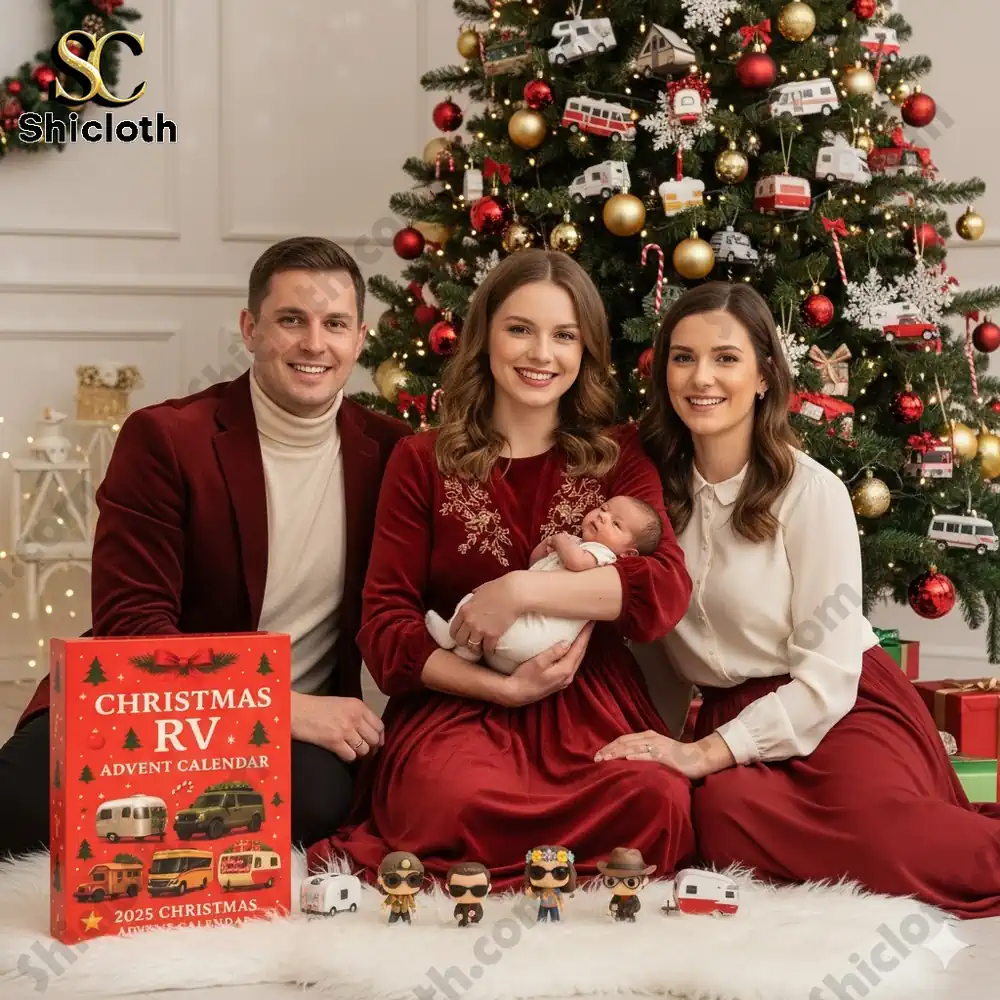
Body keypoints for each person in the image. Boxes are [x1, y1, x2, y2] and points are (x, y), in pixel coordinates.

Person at [595, 281, 1000, 919]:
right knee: (722, 819)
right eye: (682, 357)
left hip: (840, 705)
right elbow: (651, 639)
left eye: (726, 358)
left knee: (886, 839)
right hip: (733, 720)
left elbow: (828, 679)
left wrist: (702, 753)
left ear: (763, 377)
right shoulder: (647, 498)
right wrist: (656, 740)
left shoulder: (812, 494)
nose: (701, 377)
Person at [0, 236, 410, 858]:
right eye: (291, 320)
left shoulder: (392, 453)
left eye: (335, 324)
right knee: (19, 807)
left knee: (321, 802)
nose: (313, 343)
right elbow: (132, 628)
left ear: (360, 338)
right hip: (144, 706)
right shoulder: (166, 438)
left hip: (288, 742)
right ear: (250, 328)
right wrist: (279, 705)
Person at [307, 248, 695, 891]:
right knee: (444, 801)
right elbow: (386, 629)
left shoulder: (620, 454)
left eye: (564, 335)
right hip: (460, 702)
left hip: (589, 706)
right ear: (485, 334)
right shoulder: (421, 459)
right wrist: (502, 690)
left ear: (585, 349)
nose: (542, 354)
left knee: (657, 801)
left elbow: (663, 591)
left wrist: (518, 590)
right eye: (521, 329)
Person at [425, 494, 663, 673]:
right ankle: (466, 655)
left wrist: (560, 541)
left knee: (478, 598)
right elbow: (535, 565)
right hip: (527, 651)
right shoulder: (579, 545)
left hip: (535, 635)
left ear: (629, 555)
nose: (603, 516)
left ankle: (450, 634)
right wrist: (547, 546)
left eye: (616, 524)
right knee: (488, 609)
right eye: (604, 509)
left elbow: (575, 562)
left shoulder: (603, 556)